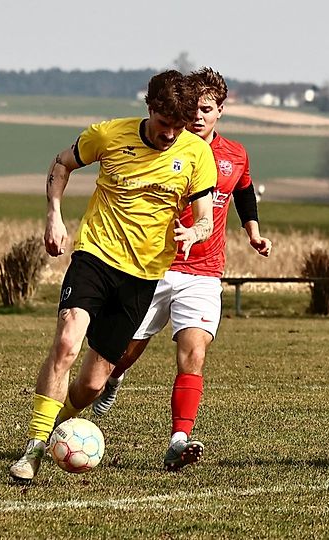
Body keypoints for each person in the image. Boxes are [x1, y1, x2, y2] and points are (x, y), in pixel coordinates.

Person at [8, 70, 217, 483]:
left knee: (92, 384)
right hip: (95, 256)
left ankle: (57, 428)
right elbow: (62, 163)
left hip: (143, 276)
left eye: (178, 127)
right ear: (149, 108)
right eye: (164, 123)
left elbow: (206, 218)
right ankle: (33, 448)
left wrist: (194, 231)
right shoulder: (108, 135)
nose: (170, 134)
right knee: (67, 341)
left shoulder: (196, 154)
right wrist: (54, 216)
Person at [85, 67, 272, 472]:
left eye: (207, 109)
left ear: (220, 111)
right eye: (193, 110)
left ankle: (179, 439)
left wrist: (253, 232)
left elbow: (244, 192)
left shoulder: (235, 155)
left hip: (204, 272)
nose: (198, 117)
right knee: (123, 353)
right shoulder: (170, 147)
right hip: (155, 266)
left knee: (194, 353)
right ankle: (113, 380)